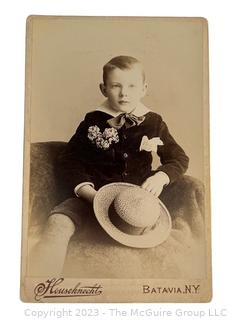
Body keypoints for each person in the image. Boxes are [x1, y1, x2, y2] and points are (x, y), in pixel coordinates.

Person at [29, 55, 189, 276]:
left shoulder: (154, 122)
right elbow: (69, 160)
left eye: (132, 86)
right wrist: (87, 192)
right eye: (116, 86)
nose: (124, 93)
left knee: (154, 237)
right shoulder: (93, 121)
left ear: (144, 89)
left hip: (135, 203)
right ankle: (43, 280)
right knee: (58, 221)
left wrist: (160, 177)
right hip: (92, 196)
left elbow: (178, 158)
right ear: (104, 89)